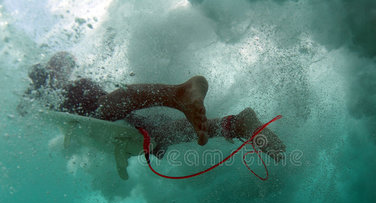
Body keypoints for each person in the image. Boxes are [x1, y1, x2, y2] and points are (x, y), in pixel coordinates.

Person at [18, 52, 286, 161]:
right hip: (122, 118)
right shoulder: (53, 79)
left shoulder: (43, 82)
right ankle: (237, 123)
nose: (64, 69)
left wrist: (25, 106)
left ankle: (178, 95)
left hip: (95, 107)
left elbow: (23, 106)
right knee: (160, 135)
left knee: (106, 109)